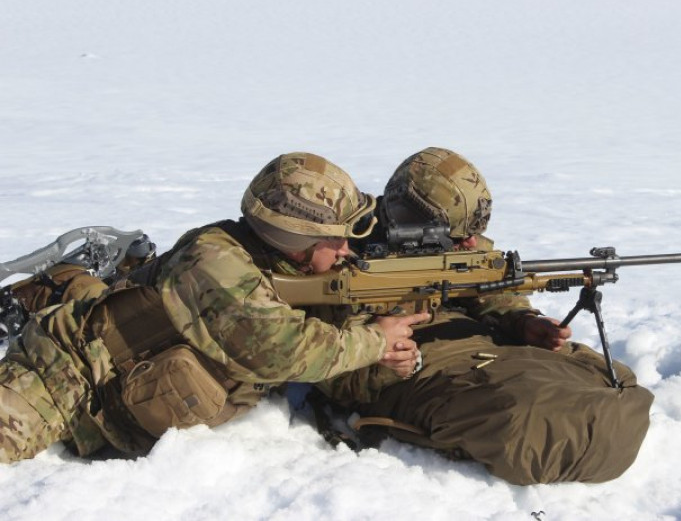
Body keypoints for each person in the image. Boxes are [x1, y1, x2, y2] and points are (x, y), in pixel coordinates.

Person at [0, 152, 423, 463]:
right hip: (67, 373)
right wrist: (373, 341)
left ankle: (71, 280)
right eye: (336, 238)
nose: (347, 250)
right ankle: (50, 288)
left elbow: (334, 361)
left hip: (127, 397)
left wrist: (391, 357)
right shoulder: (215, 262)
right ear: (296, 239)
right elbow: (284, 351)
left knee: (110, 298)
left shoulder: (292, 273)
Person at [315, 147, 655, 485]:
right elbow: (331, 371)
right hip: (412, 368)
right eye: (460, 237)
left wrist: (521, 321)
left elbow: (491, 286)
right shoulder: (335, 257)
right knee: (531, 419)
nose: (472, 243)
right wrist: (383, 350)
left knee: (612, 381)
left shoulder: (449, 240)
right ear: (413, 221)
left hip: (481, 342)